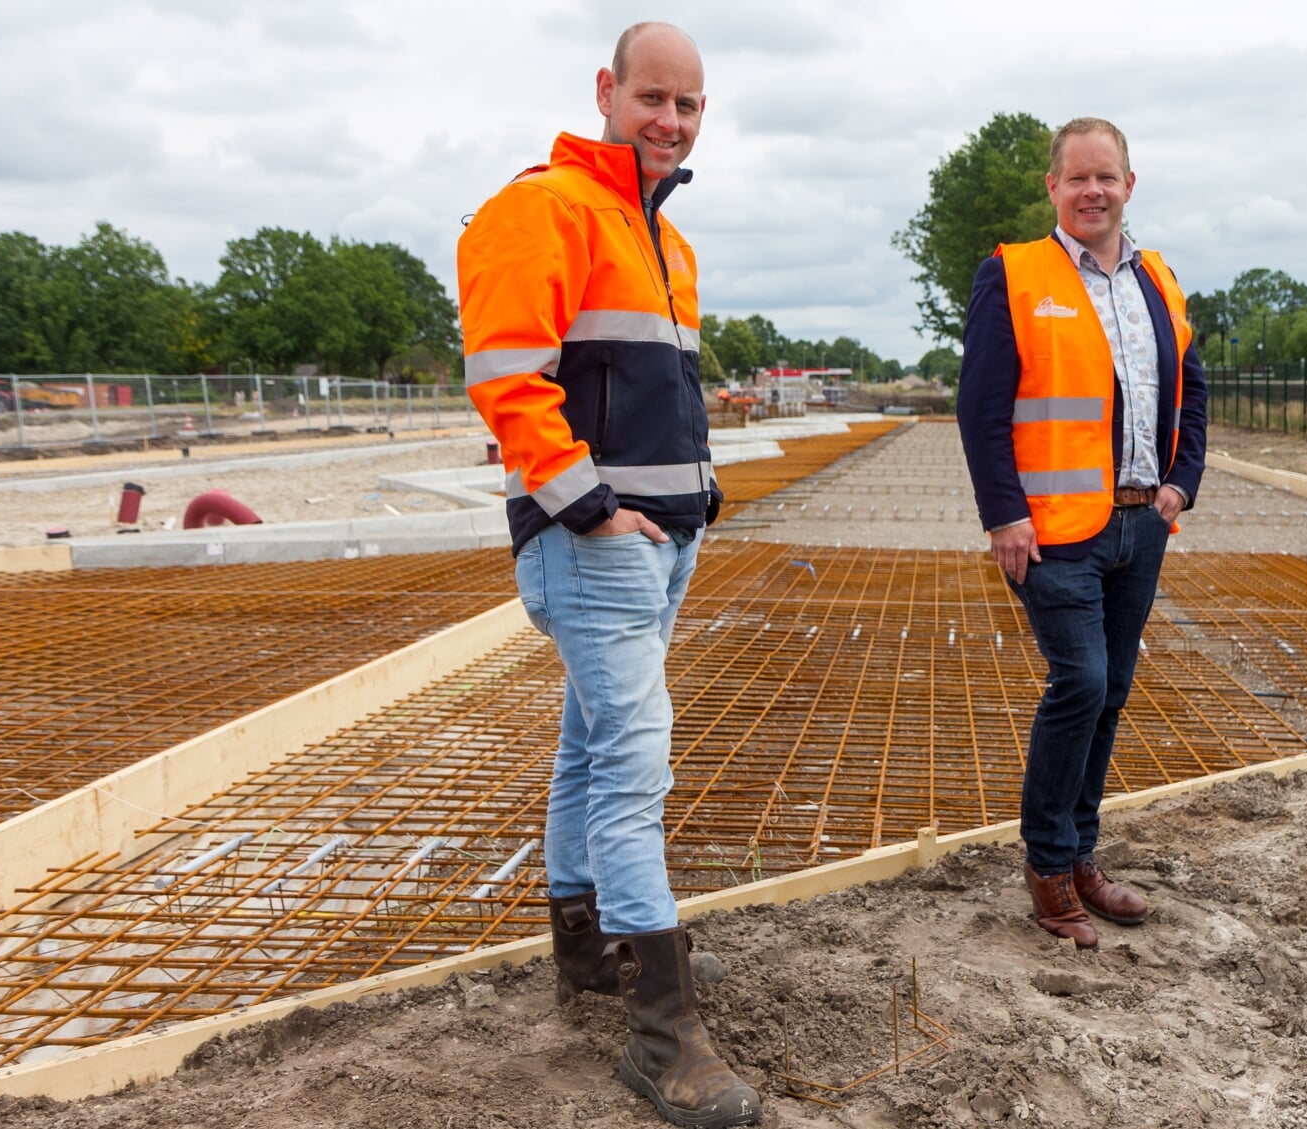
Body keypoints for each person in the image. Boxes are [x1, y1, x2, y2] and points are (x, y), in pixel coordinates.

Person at [457, 22, 759, 1129]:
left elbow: (651, 393)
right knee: (634, 769)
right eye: (652, 99)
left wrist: (697, 492)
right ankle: (662, 1035)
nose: (670, 122)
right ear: (607, 91)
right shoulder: (544, 208)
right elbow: (506, 376)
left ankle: (588, 950)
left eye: (688, 105)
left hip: (661, 540)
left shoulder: (663, 242)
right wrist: (588, 506)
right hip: (594, 545)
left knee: (591, 748)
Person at [956, 117, 1208, 951]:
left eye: (1107, 177)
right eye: (1077, 179)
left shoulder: (1158, 279)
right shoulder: (1015, 275)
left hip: (1142, 523)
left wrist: (1181, 487)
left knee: (1112, 692)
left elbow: (1193, 389)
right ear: (1053, 189)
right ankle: (1048, 868)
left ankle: (1082, 855)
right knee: (1081, 681)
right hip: (1055, 531)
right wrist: (1003, 513)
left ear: (1129, 185)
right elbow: (982, 407)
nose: (1092, 191)